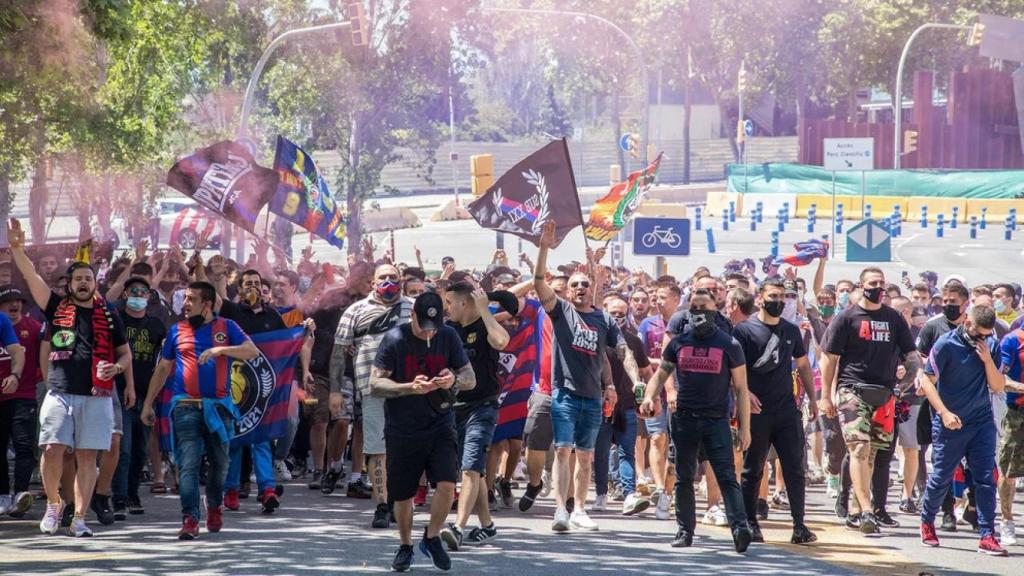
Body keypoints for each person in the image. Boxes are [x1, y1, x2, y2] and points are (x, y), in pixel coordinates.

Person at [9, 219, 132, 538]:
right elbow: (34, 279)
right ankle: (54, 504)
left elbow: (125, 353)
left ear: (94, 283)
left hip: (98, 395)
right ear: (69, 283)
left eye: (87, 278)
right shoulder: (55, 307)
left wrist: (117, 370)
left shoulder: (109, 314)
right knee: (51, 449)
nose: (82, 282)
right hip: (60, 393)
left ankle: (79, 517)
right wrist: (18, 252)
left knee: (87, 456)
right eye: (77, 278)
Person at [532, 221, 637, 533]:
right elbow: (539, 283)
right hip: (563, 393)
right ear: (567, 290)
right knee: (563, 449)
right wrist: (544, 248)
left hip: (592, 398)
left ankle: (579, 509)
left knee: (586, 455)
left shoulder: (604, 319)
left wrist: (633, 381)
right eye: (574, 285)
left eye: (584, 284)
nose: (579, 288)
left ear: (592, 289)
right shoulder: (561, 311)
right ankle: (560, 511)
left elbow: (620, 352)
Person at [141, 281, 258, 540]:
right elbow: (162, 369)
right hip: (185, 407)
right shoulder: (176, 330)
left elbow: (251, 351)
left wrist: (221, 349)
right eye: (185, 298)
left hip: (219, 409)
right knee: (188, 464)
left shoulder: (227, 327)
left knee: (220, 465)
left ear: (207, 304)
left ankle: (214, 505)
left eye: (191, 299)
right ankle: (190, 518)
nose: (185, 303)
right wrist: (148, 403)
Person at [369, 292, 476, 572]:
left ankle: (431, 537)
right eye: (422, 327)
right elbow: (375, 384)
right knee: (403, 494)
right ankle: (405, 545)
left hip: (440, 422)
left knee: (446, 484)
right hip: (403, 427)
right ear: (412, 314)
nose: (428, 334)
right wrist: (408, 387)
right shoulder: (395, 339)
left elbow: (470, 378)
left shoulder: (448, 336)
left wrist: (453, 379)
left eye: (433, 327)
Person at [639, 289, 753, 552]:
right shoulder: (679, 342)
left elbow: (741, 389)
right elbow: (660, 374)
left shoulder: (729, 344)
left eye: (704, 306)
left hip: (717, 420)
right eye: (694, 307)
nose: (699, 311)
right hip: (684, 420)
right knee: (683, 477)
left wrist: (745, 428)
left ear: (715, 309)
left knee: (726, 476)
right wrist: (649, 397)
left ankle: (739, 528)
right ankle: (684, 530)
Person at [819, 267, 916, 536]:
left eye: (882, 283)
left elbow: (912, 355)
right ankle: (866, 509)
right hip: (852, 391)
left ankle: (854, 508)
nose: (879, 287)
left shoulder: (894, 318)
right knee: (859, 448)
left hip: (884, 395)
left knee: (870, 454)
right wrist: (826, 395)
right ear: (862, 286)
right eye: (874, 283)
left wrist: (903, 383)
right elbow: (829, 358)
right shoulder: (846, 318)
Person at [918, 305, 1008, 556]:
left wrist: (988, 359)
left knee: (986, 479)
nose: (983, 339)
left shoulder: (990, 346)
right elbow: (927, 381)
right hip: (950, 423)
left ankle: (987, 534)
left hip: (981, 423)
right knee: (941, 477)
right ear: (967, 322)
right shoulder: (946, 345)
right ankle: (927, 522)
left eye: (987, 335)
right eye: (980, 333)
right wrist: (944, 413)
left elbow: (998, 385)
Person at [734, 278, 818, 545]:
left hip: (786, 411)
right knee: (753, 469)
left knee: (795, 468)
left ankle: (799, 525)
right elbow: (733, 369)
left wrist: (813, 400)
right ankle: (750, 522)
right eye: (773, 296)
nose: (778, 301)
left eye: (782, 297)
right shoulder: (744, 331)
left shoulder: (791, 331)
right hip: (756, 412)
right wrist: (744, 393)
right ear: (760, 297)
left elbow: (803, 365)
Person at [333, 263, 413, 528]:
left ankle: (398, 501)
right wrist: (335, 391)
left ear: (401, 280)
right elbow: (338, 352)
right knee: (377, 449)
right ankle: (381, 505)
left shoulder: (413, 308)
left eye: (393, 277)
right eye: (383, 278)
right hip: (372, 390)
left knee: (402, 450)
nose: (388, 282)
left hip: (409, 391)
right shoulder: (355, 311)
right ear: (372, 283)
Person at [438, 282, 510, 550]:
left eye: (449, 302)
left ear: (464, 303)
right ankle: (488, 525)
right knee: (475, 471)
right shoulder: (448, 330)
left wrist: (485, 310)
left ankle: (457, 528)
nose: (446, 308)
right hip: (454, 408)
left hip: (482, 407)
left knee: (470, 468)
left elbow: (502, 341)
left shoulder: (485, 324)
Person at [216, 269, 288, 514]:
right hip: (236, 386)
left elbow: (283, 346)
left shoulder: (273, 315)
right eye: (248, 283)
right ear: (239, 288)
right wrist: (212, 273)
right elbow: (213, 295)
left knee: (262, 439)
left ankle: (267, 489)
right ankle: (231, 489)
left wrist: (304, 330)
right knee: (235, 439)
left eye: (257, 283)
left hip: (263, 389)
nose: (254, 288)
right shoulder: (232, 312)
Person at [110, 277, 166, 519]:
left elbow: (163, 361)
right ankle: (119, 497)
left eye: (144, 292)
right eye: (134, 291)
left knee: (140, 450)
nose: (139, 295)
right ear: (125, 294)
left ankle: (133, 494)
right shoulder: (116, 319)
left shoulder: (156, 325)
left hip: (146, 394)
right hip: (117, 391)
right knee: (122, 449)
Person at [636, 283, 681, 520]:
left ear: (676, 299)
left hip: (678, 393)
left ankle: (670, 488)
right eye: (657, 297)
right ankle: (659, 486)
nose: (658, 301)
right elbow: (640, 356)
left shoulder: (685, 323)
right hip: (655, 390)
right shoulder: (647, 324)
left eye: (663, 297)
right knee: (656, 438)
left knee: (673, 444)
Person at [0, 286, 32, 517]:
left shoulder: (2, 320)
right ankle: (2, 495)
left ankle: (20, 495)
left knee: (23, 445)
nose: (14, 304)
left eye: (17, 300)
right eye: (7, 300)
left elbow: (17, 352)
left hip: (19, 394)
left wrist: (15, 375)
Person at [995, 323, 1024, 545]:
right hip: (1017, 414)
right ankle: (1006, 521)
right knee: (1009, 470)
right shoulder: (1012, 340)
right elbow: (1000, 380)